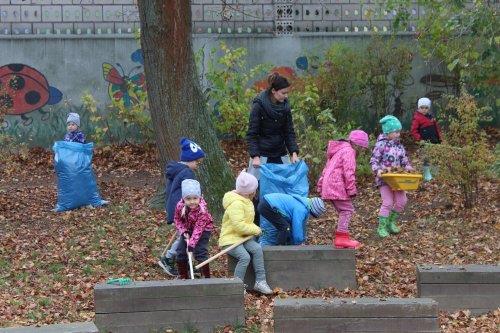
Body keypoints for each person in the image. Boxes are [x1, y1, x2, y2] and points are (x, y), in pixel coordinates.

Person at [219, 171, 273, 294]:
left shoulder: (245, 201)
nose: (256, 192)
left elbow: (246, 222)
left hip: (242, 238)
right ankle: (237, 285)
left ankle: (260, 281)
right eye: (255, 189)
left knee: (257, 249)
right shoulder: (236, 203)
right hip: (230, 240)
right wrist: (255, 230)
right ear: (250, 192)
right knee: (244, 257)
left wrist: (254, 230)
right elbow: (239, 226)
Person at [158, 137, 205, 276]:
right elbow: (190, 194)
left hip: (175, 208)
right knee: (186, 237)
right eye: (197, 162)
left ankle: (183, 262)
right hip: (181, 211)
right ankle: (169, 258)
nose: (197, 164)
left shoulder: (177, 170)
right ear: (189, 160)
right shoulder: (187, 173)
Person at [317, 130, 369, 249]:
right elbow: (349, 172)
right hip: (336, 185)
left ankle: (342, 237)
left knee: (344, 210)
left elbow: (326, 168)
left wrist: (320, 186)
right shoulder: (349, 151)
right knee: (347, 210)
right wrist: (351, 190)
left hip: (329, 185)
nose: (362, 151)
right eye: (362, 148)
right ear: (357, 145)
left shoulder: (339, 150)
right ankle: (341, 238)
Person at [246, 72, 299, 178]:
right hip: (262, 155)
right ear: (274, 91)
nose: (286, 96)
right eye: (283, 93)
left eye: (287, 93)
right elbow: (252, 133)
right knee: (254, 186)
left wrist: (293, 152)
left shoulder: (285, 106)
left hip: (280, 152)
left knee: (285, 183)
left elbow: (288, 131)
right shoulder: (259, 105)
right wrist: (255, 156)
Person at [370, 115, 413, 238]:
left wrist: (408, 168)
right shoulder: (380, 145)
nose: (398, 134)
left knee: (402, 201)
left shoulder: (399, 146)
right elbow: (374, 160)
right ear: (388, 132)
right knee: (388, 202)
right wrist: (377, 170)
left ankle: (391, 222)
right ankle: (382, 227)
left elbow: (404, 161)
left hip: (398, 179)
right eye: (396, 132)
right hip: (384, 179)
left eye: (399, 132)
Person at [174, 179, 213, 279]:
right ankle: (183, 276)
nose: (192, 202)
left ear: (199, 197)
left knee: (200, 251)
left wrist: (191, 245)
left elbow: (198, 229)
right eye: (188, 199)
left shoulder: (202, 210)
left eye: (195, 198)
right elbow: (177, 220)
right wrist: (183, 231)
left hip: (203, 230)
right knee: (180, 251)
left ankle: (206, 277)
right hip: (187, 230)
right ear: (184, 199)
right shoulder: (180, 206)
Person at [257, 193, 326, 245]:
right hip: (268, 205)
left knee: (285, 226)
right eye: (312, 214)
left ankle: (282, 246)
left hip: (266, 201)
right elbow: (297, 228)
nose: (311, 216)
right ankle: (279, 249)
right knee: (285, 228)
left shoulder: (302, 203)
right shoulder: (301, 210)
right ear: (312, 210)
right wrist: (299, 243)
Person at [410, 97, 442, 182]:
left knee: (435, 157)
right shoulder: (417, 118)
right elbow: (414, 131)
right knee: (426, 158)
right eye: (422, 108)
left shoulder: (431, 117)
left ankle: (435, 173)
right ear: (418, 108)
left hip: (434, 141)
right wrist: (420, 139)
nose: (424, 110)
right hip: (425, 143)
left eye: (426, 108)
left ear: (429, 108)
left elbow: (436, 129)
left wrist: (440, 138)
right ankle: (427, 175)